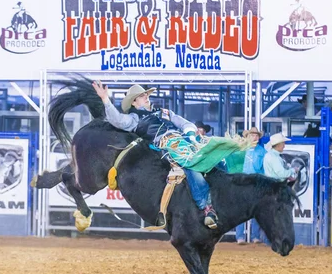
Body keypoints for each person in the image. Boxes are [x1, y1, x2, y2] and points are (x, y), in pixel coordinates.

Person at [92, 80, 218, 228]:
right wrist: (105, 99)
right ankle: (207, 208)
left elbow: (185, 124)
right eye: (141, 95)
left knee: (218, 159)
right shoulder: (134, 119)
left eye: (146, 94)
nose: (146, 96)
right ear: (134, 102)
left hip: (184, 141)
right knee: (191, 165)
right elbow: (117, 120)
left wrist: (190, 135)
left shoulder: (164, 112)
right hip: (166, 148)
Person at [235, 127, 267, 244]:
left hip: (256, 183)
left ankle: (255, 236)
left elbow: (264, 169)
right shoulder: (241, 150)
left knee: (256, 210)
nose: (255, 137)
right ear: (247, 137)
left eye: (257, 135)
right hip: (242, 183)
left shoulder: (262, 151)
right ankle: (240, 236)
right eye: (252, 135)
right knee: (240, 210)